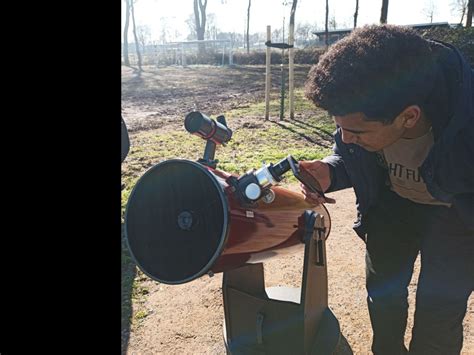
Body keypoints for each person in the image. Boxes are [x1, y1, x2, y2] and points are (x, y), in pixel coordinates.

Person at [299, 24, 473, 355]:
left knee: (439, 315)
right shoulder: (370, 104)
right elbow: (349, 156)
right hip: (392, 209)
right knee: (383, 295)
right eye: (339, 128)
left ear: (409, 116)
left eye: (356, 132)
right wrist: (329, 172)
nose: (345, 138)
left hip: (458, 218)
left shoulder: (468, 119)